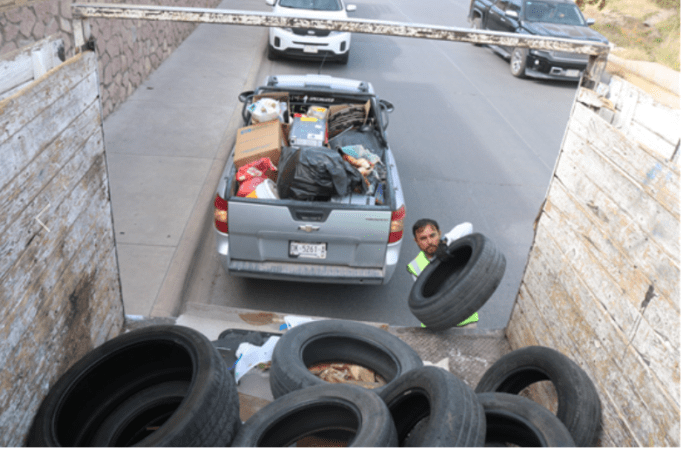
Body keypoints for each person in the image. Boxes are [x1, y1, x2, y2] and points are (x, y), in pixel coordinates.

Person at [407, 218, 479, 328]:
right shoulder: (416, 265)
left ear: (439, 234)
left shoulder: (451, 245)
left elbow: (468, 226)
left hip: (465, 320)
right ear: (416, 241)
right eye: (423, 238)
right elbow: (425, 297)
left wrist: (445, 240)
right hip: (437, 324)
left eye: (432, 235)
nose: (429, 241)